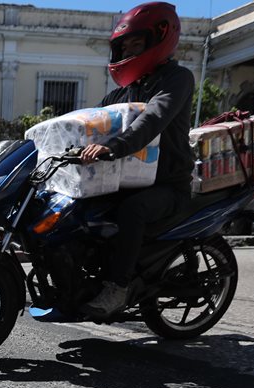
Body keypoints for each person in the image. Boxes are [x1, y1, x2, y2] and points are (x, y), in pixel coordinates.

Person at [77, 2, 195, 319]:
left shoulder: (176, 80)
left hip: (168, 185)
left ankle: (117, 287)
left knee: (133, 209)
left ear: (159, 39)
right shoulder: (122, 92)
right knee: (78, 209)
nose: (128, 51)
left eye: (136, 44)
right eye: (124, 46)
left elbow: (152, 121)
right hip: (127, 181)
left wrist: (112, 146)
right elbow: (88, 120)